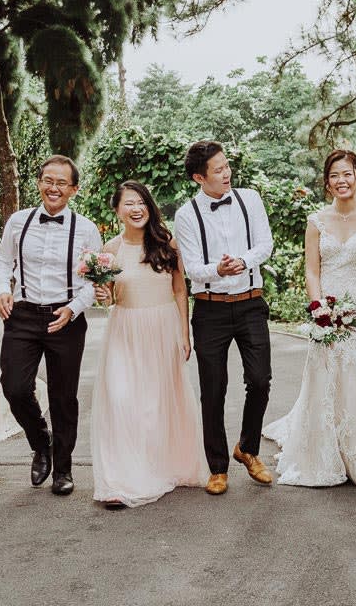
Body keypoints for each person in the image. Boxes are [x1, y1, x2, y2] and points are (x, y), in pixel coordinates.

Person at [263, 150, 356, 489]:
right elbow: (312, 270)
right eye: (334, 176)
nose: (342, 181)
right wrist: (319, 309)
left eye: (348, 174)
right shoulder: (316, 221)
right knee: (324, 374)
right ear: (327, 183)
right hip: (326, 311)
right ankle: (323, 452)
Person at [91, 181, 210, 508]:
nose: (136, 208)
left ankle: (160, 464)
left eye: (141, 201)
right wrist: (103, 295)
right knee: (121, 397)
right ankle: (120, 479)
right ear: (117, 210)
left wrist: (184, 334)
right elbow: (109, 297)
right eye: (128, 203)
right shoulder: (110, 249)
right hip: (125, 329)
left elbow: (179, 289)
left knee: (155, 402)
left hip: (162, 326)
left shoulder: (165, 242)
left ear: (149, 206)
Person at [0, 155, 102, 496]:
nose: (54, 188)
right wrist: (2, 290)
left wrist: (73, 309)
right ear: (39, 183)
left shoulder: (86, 229)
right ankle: (42, 442)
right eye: (48, 180)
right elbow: (2, 259)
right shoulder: (18, 221)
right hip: (22, 314)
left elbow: (95, 280)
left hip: (66, 317)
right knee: (14, 386)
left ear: (74, 189)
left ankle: (64, 469)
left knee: (63, 396)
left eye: (62, 183)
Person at [174, 141, 275, 495]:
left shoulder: (250, 199)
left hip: (250, 304)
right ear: (199, 177)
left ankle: (247, 449)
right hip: (210, 309)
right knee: (213, 390)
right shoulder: (186, 214)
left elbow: (266, 244)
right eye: (217, 170)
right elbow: (192, 269)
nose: (226, 173)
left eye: (226, 165)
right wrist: (217, 269)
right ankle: (217, 468)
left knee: (260, 380)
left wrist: (244, 262)